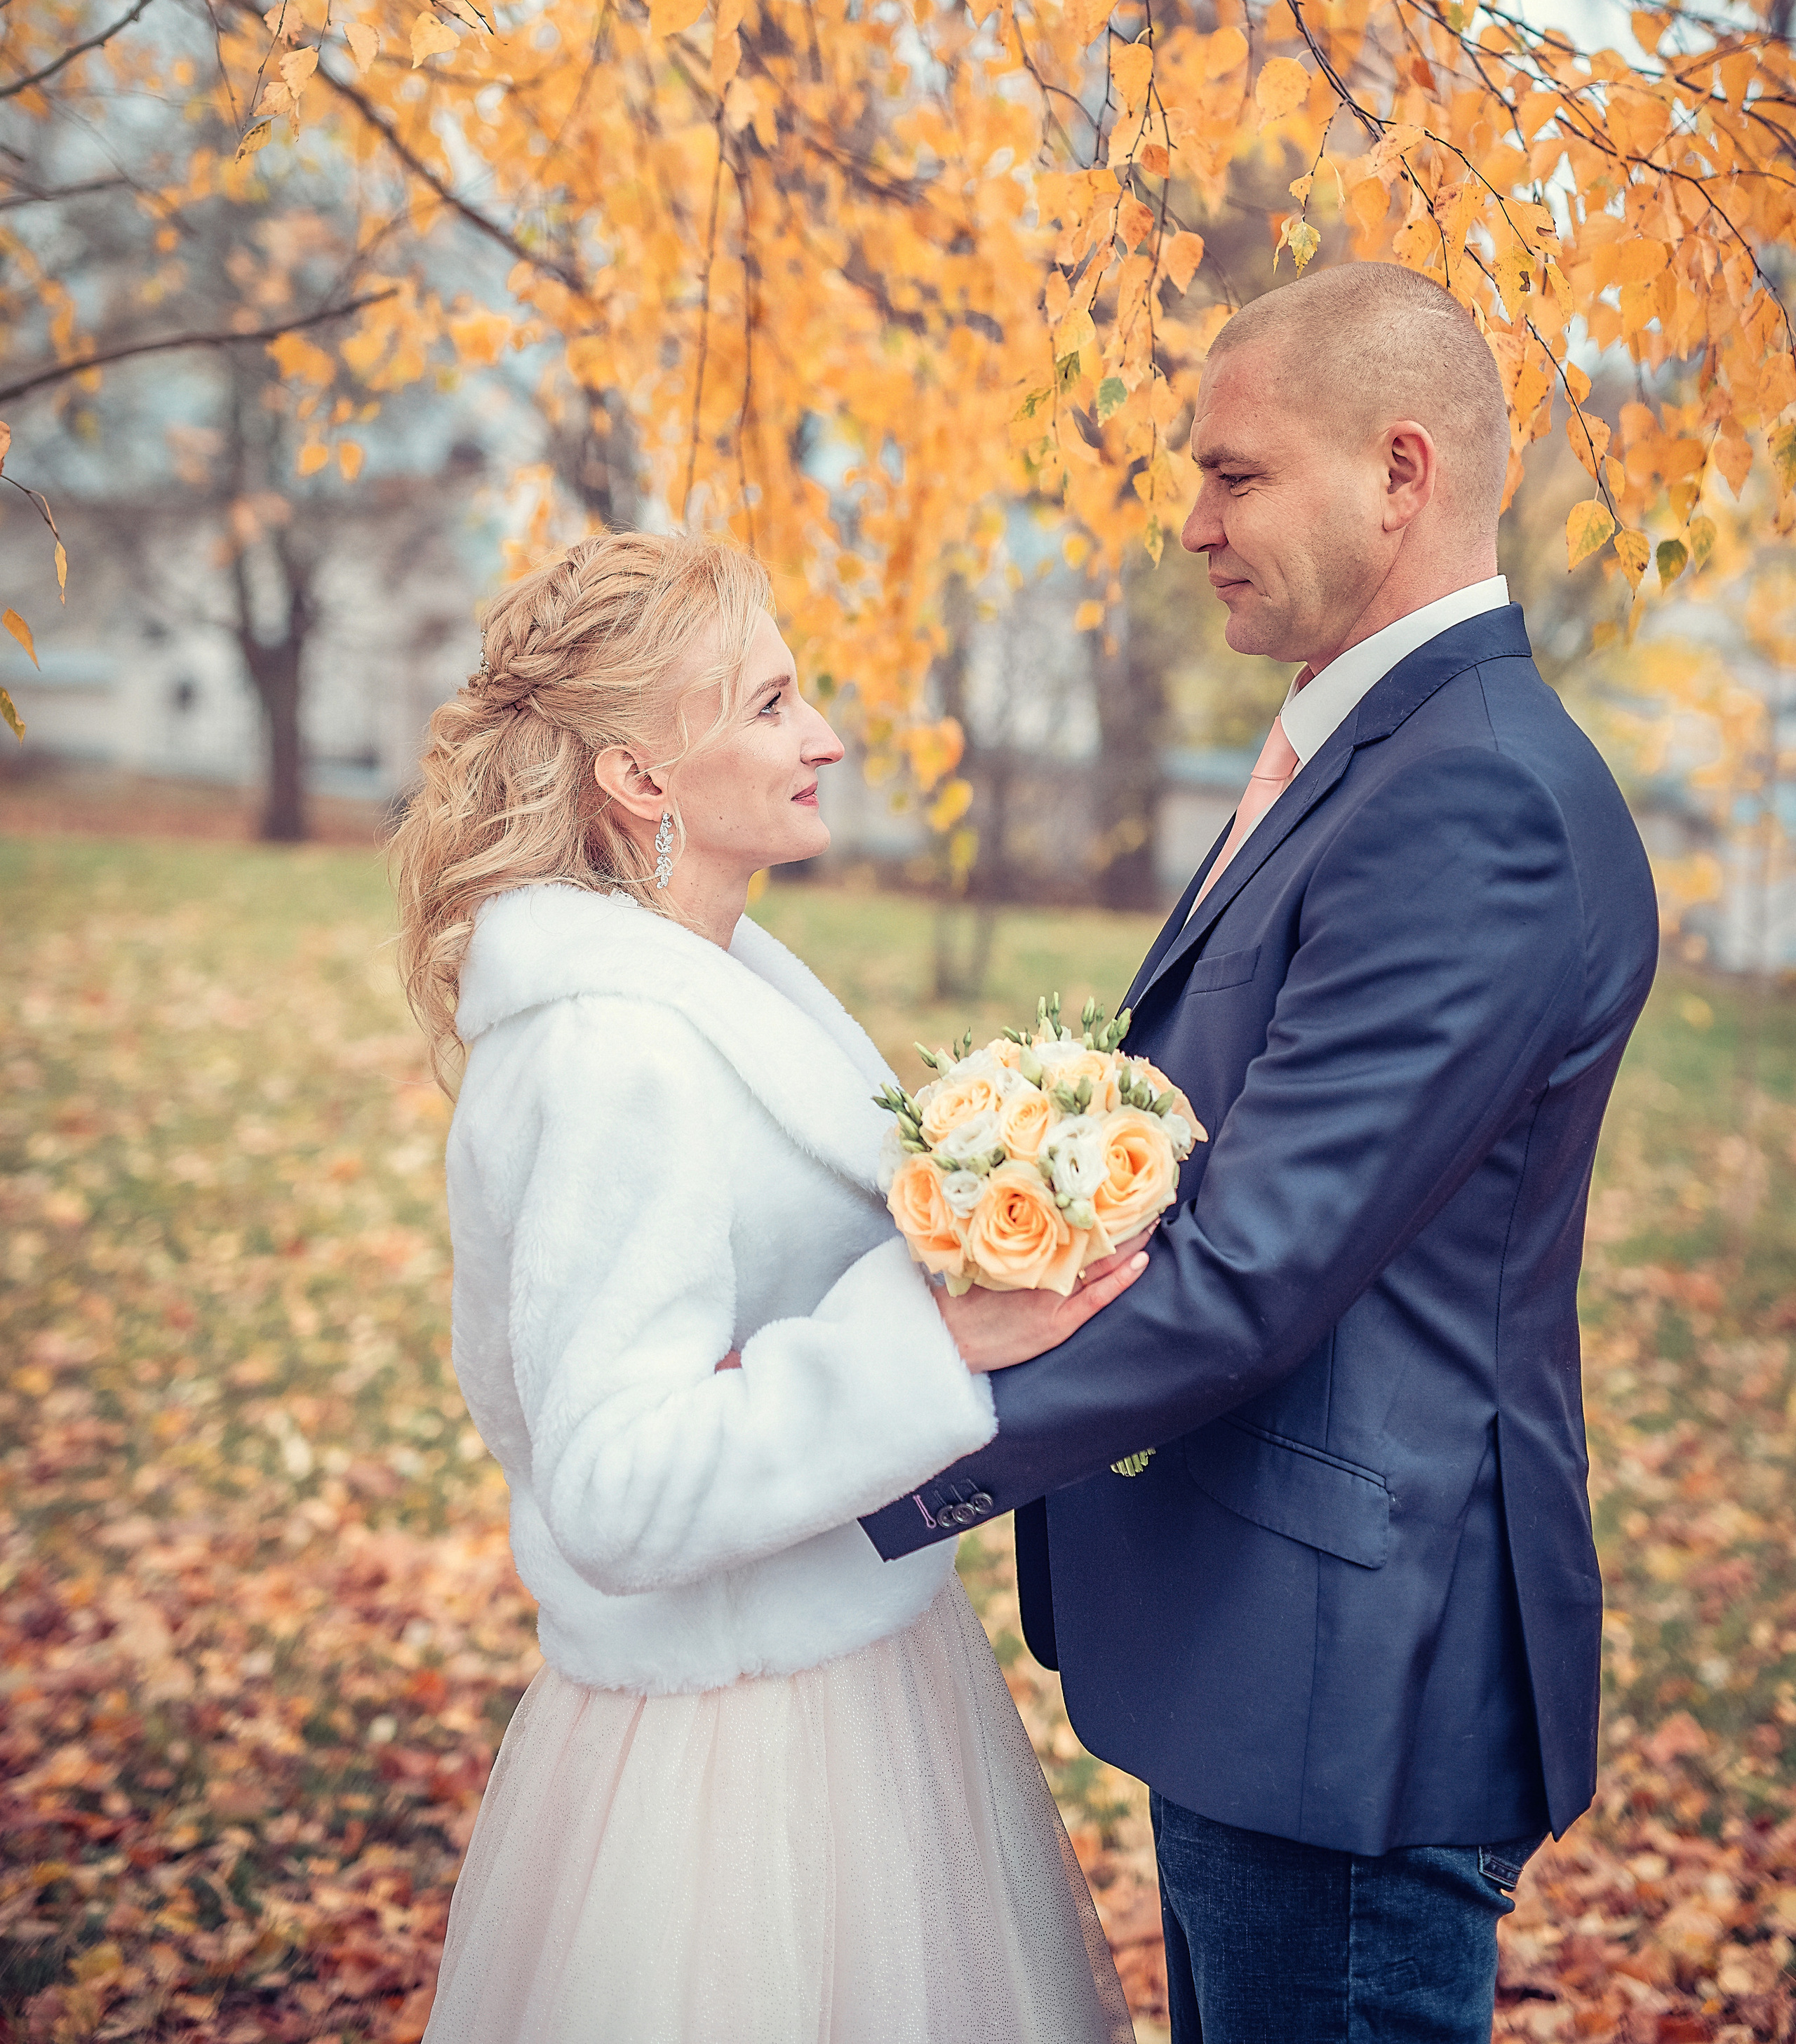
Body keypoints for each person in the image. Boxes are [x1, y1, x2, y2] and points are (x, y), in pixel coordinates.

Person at [864, 262, 1659, 2044]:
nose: (1192, 521)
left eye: (1234, 474)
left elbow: (1246, 1268)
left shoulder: (1474, 799)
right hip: (1264, 1642)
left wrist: (846, 1456)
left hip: (1351, 1675)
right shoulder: (1361, 754)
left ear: (1398, 468)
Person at [389, 531, 1137, 2044]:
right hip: (738, 1765)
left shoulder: (725, 984)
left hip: (848, 1659)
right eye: (769, 703)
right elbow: (609, 1480)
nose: (826, 737)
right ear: (641, 780)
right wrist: (921, 1342)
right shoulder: (621, 1051)